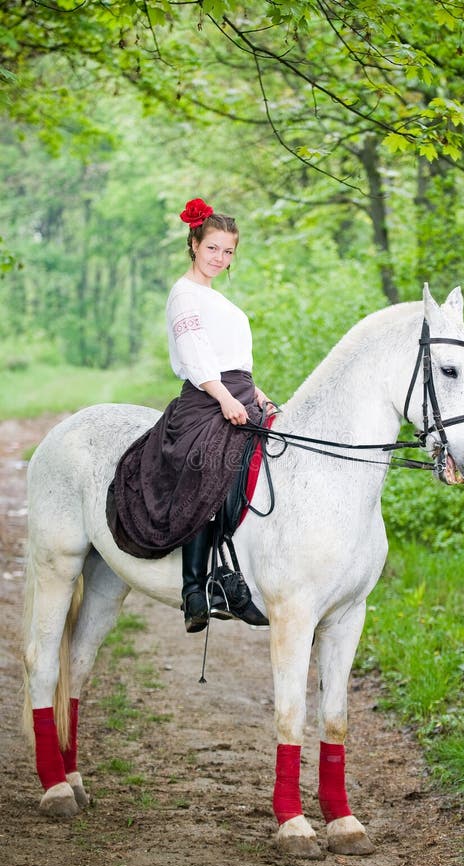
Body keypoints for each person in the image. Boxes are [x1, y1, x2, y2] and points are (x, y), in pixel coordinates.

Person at [107, 197, 273, 634]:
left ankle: (236, 578)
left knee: (265, 463)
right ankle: (196, 590)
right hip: (205, 399)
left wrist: (259, 396)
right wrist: (224, 398)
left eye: (229, 251)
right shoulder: (184, 295)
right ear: (194, 243)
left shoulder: (219, 300)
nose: (221, 258)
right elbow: (198, 358)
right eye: (213, 248)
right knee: (211, 466)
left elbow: (235, 359)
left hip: (237, 393)